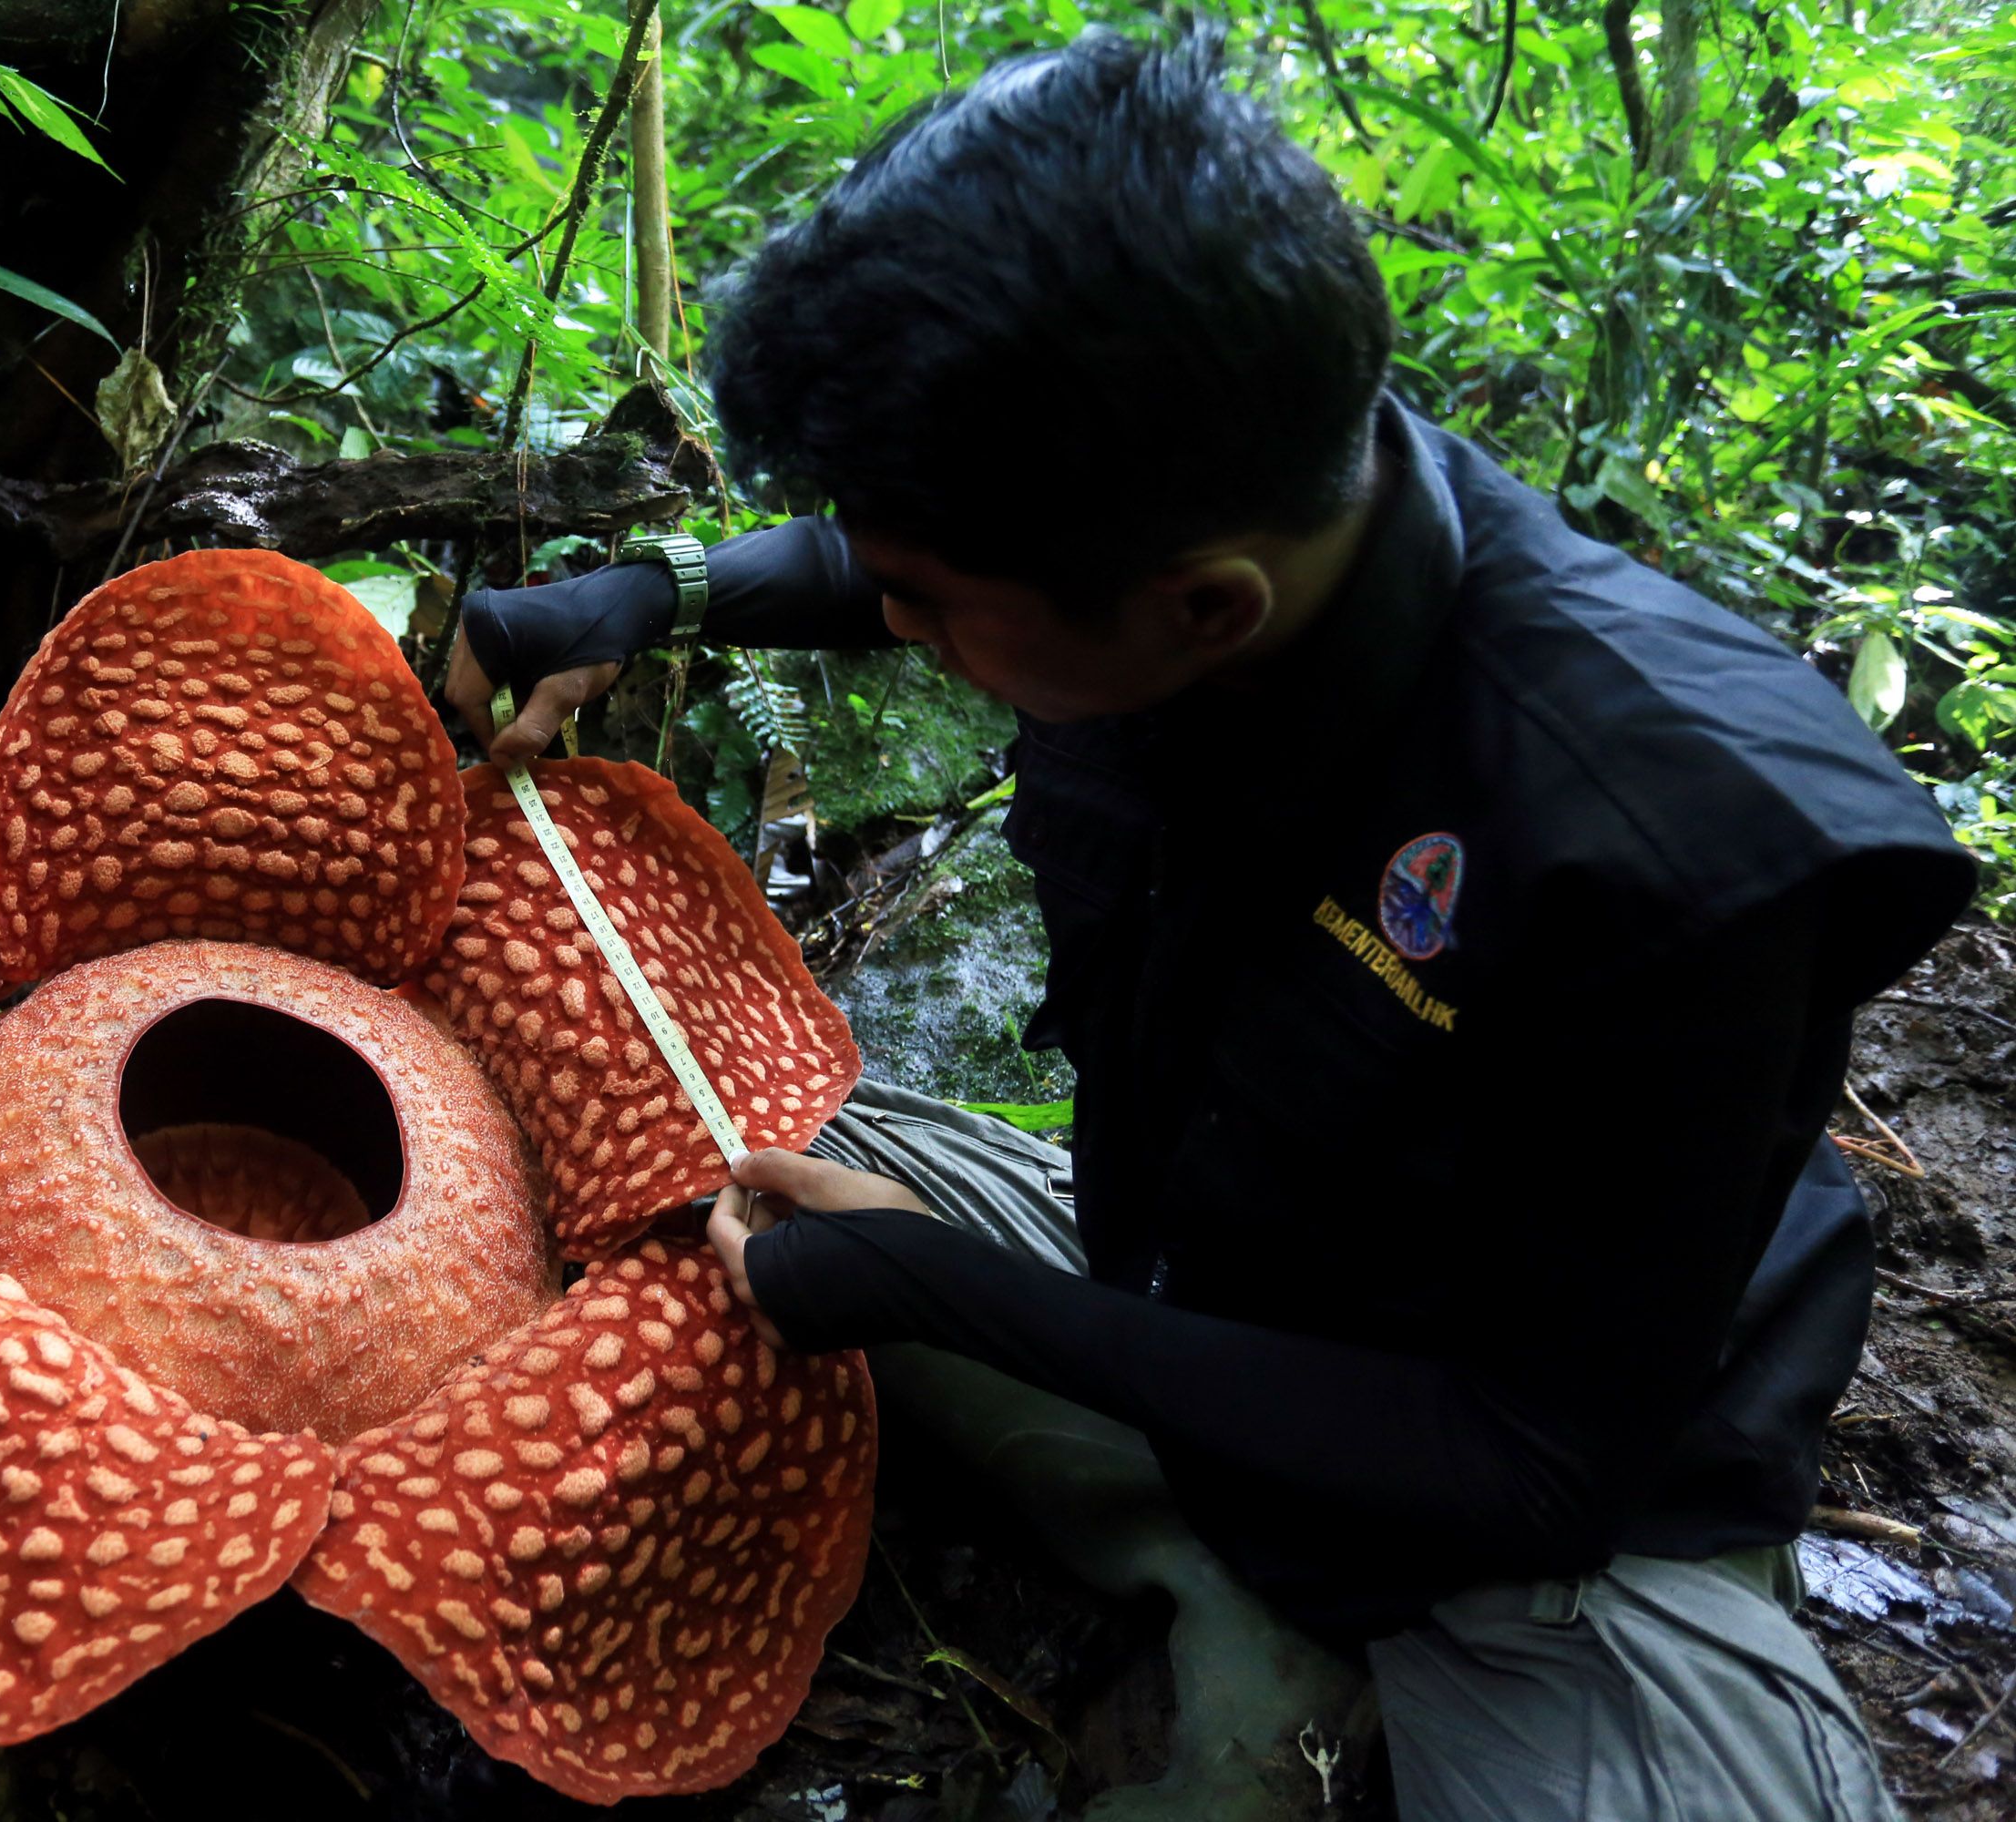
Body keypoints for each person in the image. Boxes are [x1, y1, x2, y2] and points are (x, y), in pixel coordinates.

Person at [446, 24, 1975, 1822]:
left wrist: (950, 1287)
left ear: (1199, 610)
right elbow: (905, 559)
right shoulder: (1223, 476)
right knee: (627, 1089)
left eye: (937, 608)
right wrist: (647, 593)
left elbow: (1531, 1463)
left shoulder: (1673, 839)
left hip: (1523, 1529)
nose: (902, 622)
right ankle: (1199, 1588)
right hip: (1169, 1271)